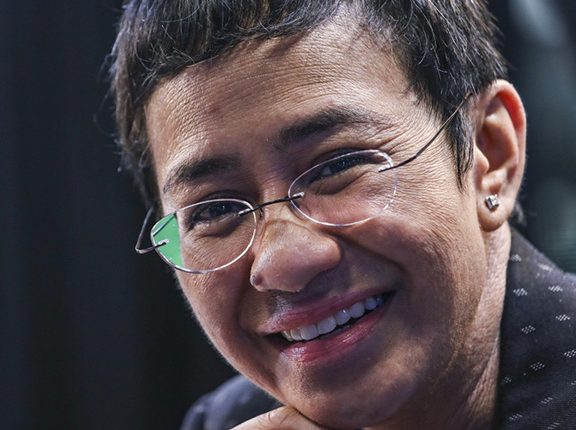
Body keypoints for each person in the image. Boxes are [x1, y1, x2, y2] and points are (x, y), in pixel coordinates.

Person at [109, 1, 576, 428]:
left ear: (489, 156)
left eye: (337, 167)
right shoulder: (220, 420)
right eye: (215, 210)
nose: (283, 262)